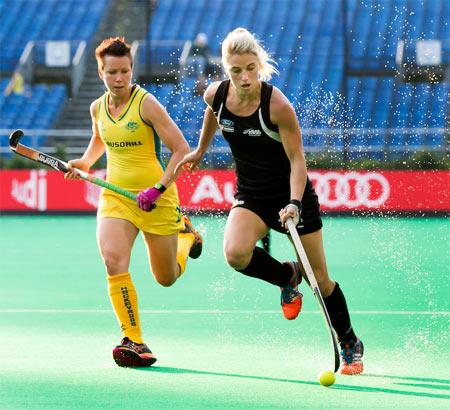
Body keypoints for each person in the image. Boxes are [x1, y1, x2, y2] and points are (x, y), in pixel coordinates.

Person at [176, 28, 364, 375]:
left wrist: (294, 202)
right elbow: (212, 114)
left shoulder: (277, 105)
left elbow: (297, 162)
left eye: (250, 68)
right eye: (236, 70)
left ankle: (350, 342)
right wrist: (201, 149)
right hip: (252, 195)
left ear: (259, 64)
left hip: (293, 198)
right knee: (235, 253)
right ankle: (284, 278)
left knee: (319, 281)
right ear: (225, 68)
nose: (245, 77)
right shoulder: (215, 95)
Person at [64, 37, 203, 368]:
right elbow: (100, 138)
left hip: (157, 198)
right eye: (112, 72)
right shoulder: (97, 107)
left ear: (131, 70)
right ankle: (134, 339)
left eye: (125, 71)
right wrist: (84, 163)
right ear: (101, 72)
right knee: (113, 260)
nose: (120, 78)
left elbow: (182, 149)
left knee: (166, 277)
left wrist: (157, 189)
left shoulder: (147, 104)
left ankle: (186, 237)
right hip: (116, 197)